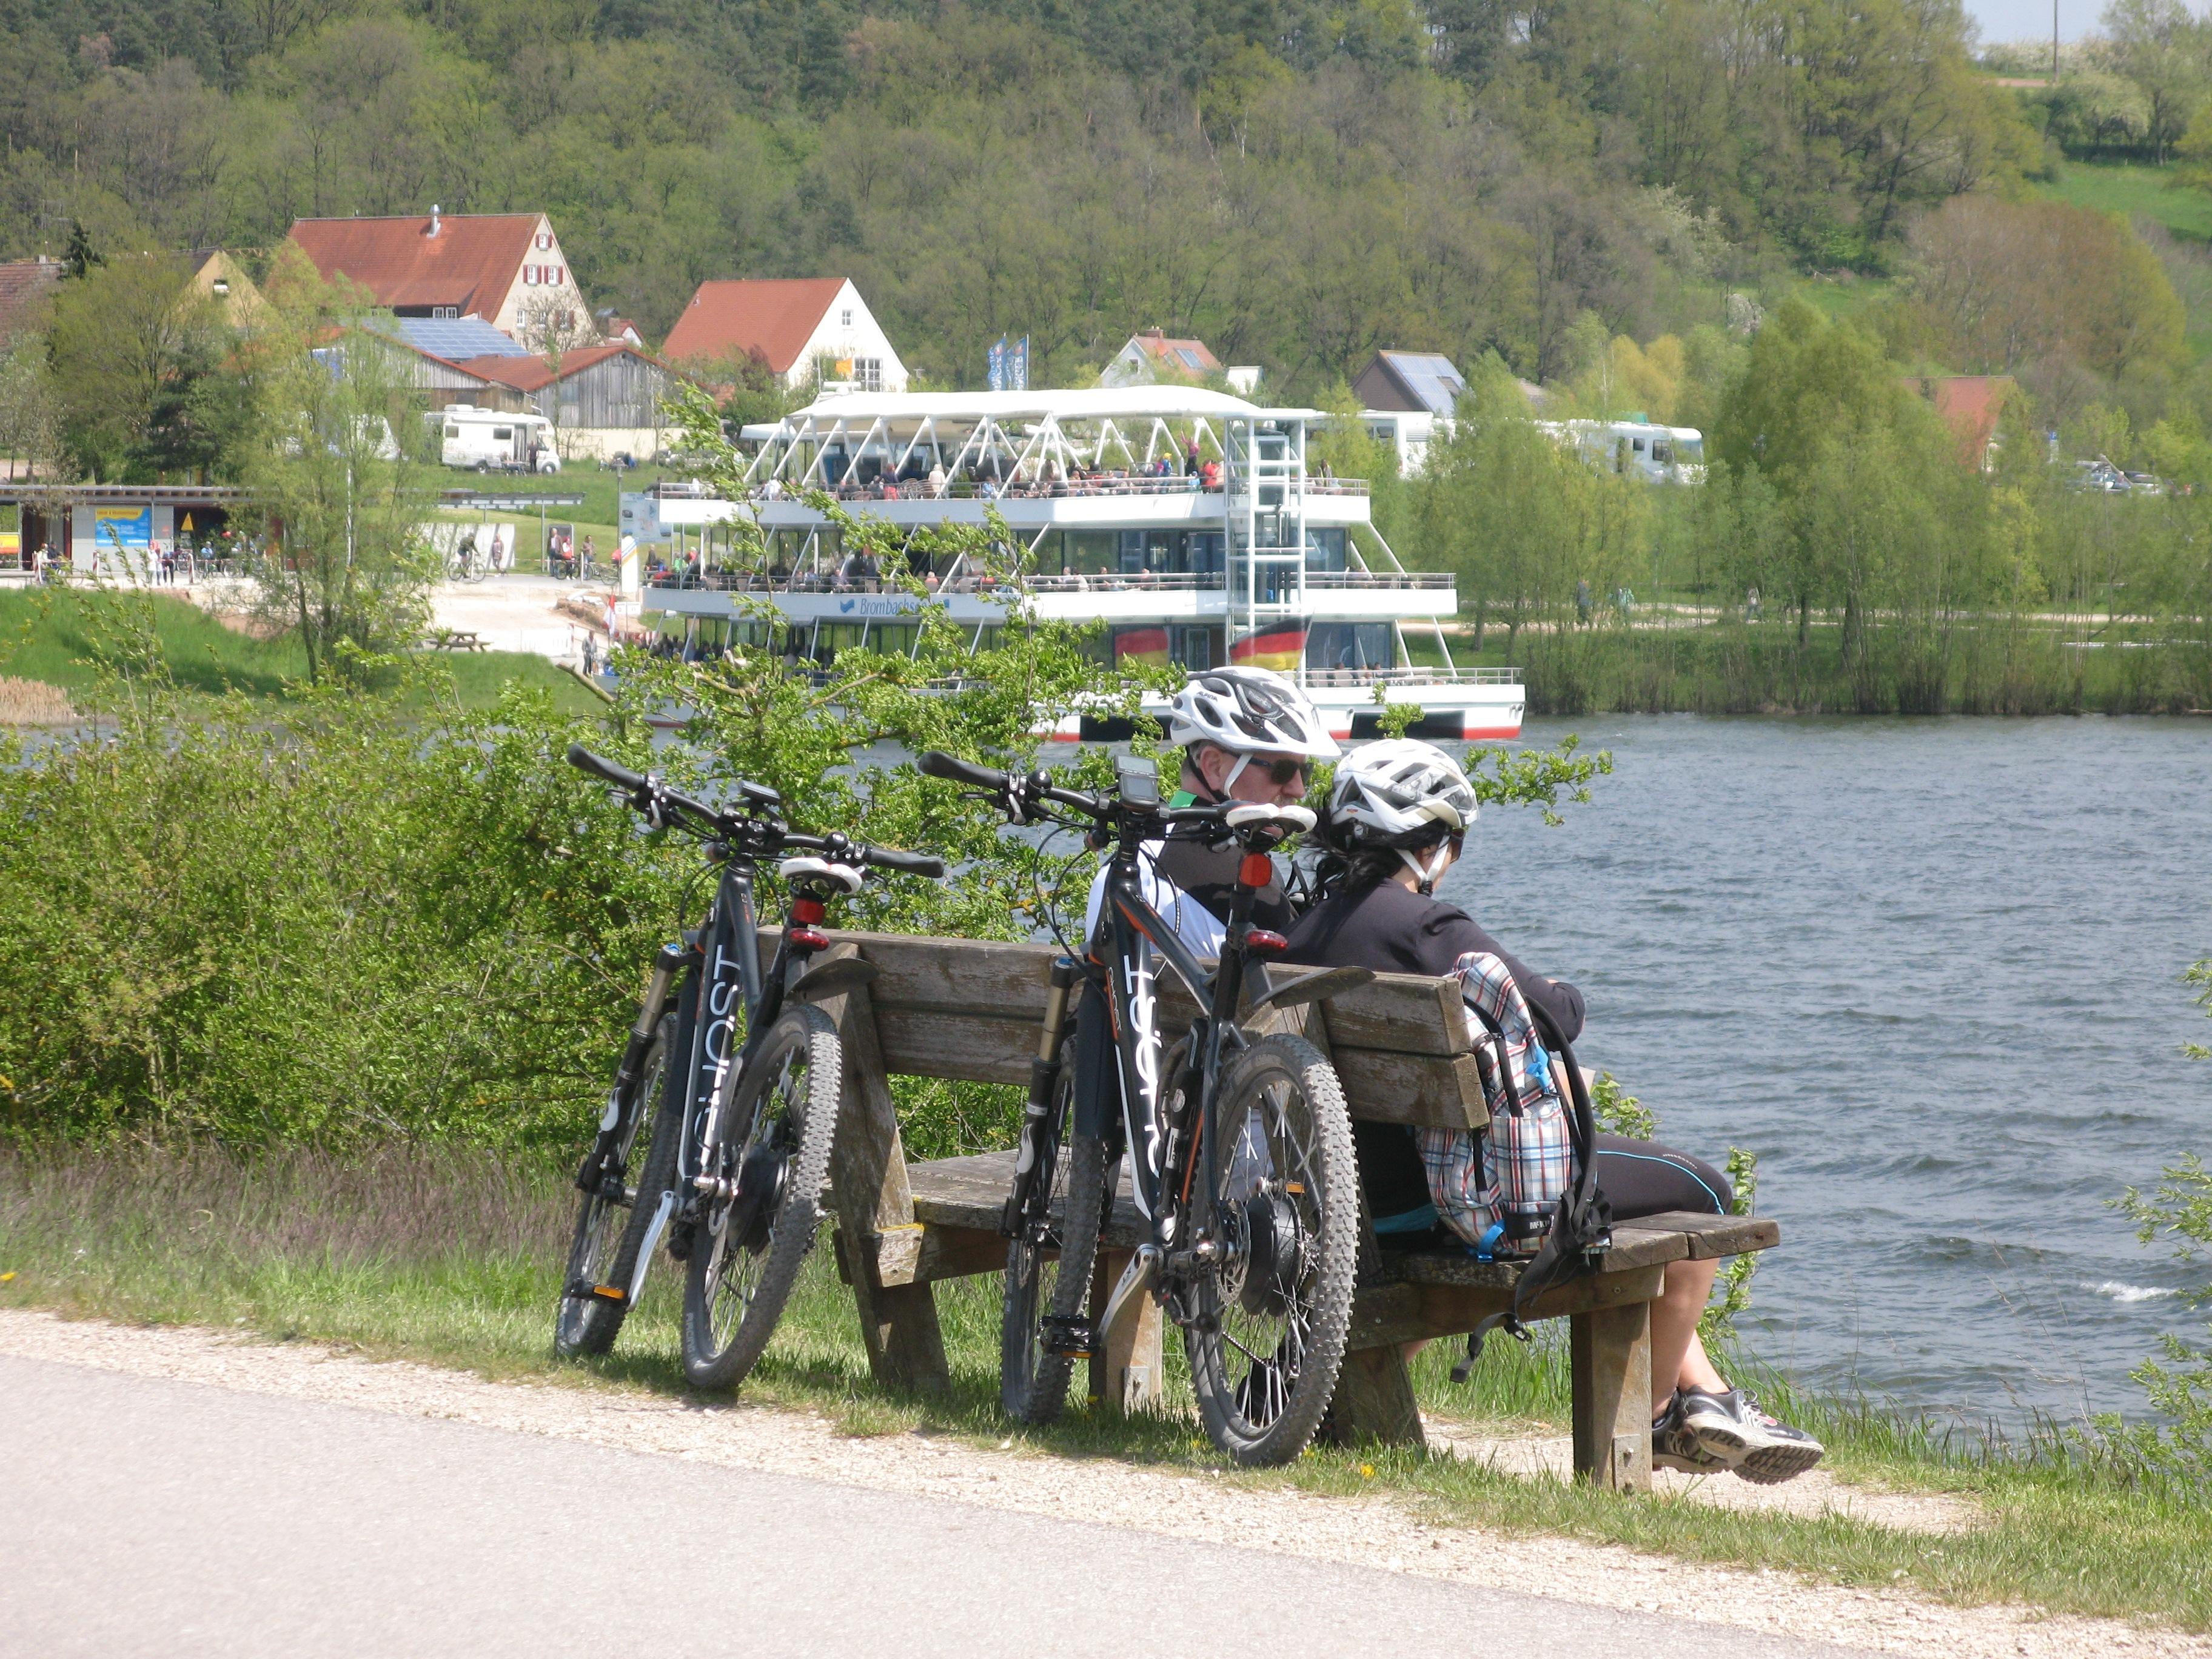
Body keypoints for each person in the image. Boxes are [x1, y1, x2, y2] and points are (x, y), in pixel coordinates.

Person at [1282, 740, 1825, 1485]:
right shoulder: (1424, 928)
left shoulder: (1304, 930)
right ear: (1435, 844)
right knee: (1703, 1192)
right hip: (1437, 1204)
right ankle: (1664, 1413)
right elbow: (1558, 1013)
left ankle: (1710, 1397)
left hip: (1339, 1198)